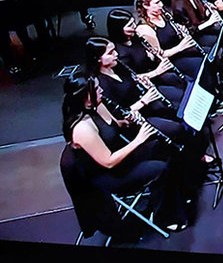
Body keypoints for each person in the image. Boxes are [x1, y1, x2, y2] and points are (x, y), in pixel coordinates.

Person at [61, 74, 193, 234]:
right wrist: (139, 139)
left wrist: (129, 120)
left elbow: (116, 125)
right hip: (110, 175)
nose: (101, 89)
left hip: (120, 158)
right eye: (96, 88)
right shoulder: (82, 128)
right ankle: (166, 217)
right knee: (160, 169)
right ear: (86, 97)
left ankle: (178, 195)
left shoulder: (97, 105)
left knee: (162, 147)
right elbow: (108, 161)